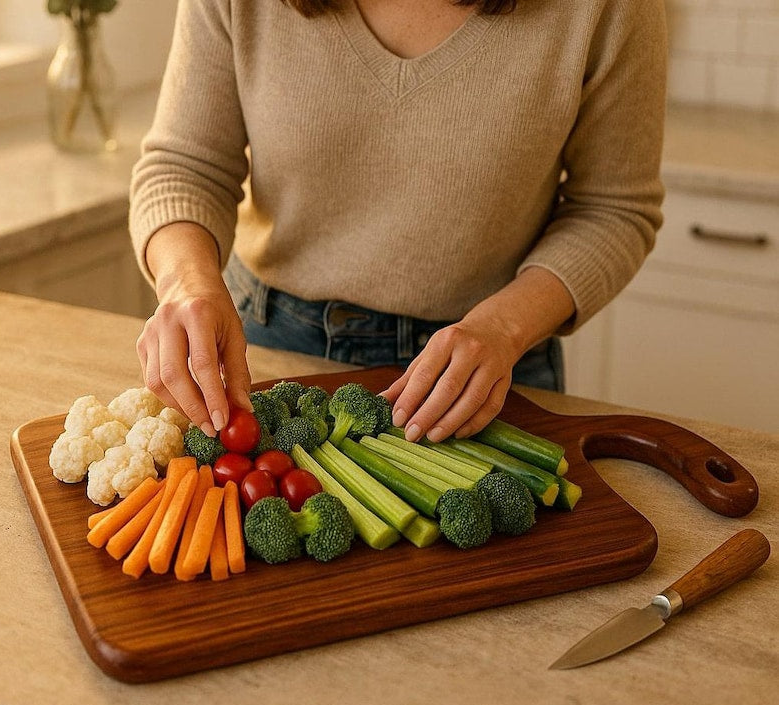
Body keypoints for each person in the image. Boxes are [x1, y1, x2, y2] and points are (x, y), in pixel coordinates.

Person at [129, 0, 667, 444]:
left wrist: (502, 328)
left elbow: (613, 209)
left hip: (490, 366)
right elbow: (184, 167)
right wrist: (186, 282)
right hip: (268, 348)